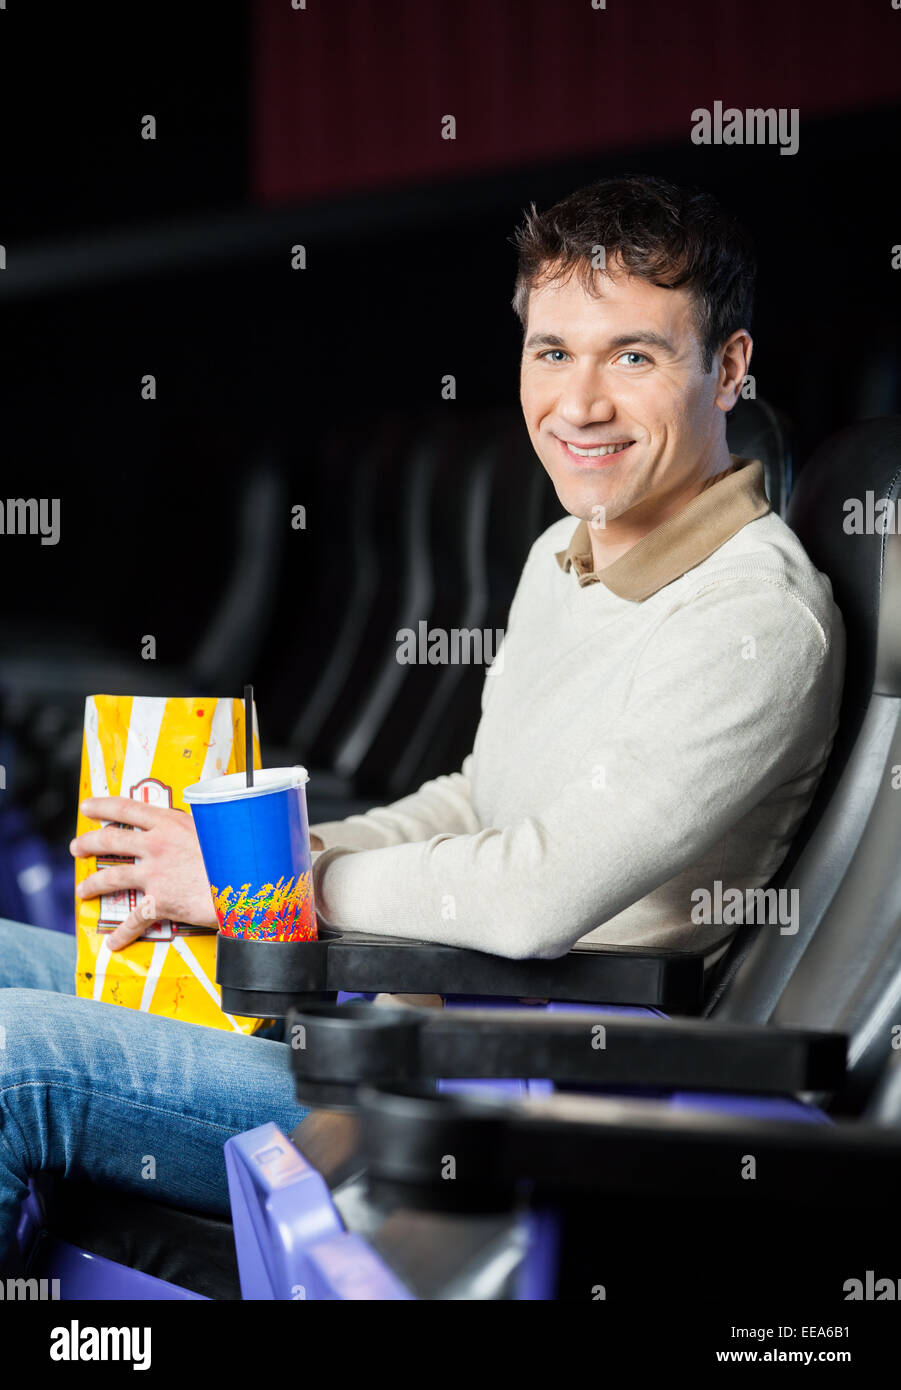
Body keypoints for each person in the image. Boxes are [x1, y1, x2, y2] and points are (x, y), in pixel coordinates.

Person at [0, 175, 844, 1266]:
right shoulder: (567, 553)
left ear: (727, 367)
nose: (578, 402)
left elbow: (538, 892)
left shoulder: (755, 621)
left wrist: (271, 891)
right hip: (392, 1013)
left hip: (491, 1083)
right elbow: (474, 798)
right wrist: (252, 859)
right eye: (552, 352)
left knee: (13, 1054)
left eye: (632, 355)